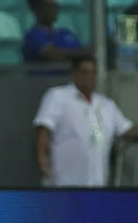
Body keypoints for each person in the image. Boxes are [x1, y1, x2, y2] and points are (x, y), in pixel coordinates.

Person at [33, 54, 137, 187]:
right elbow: (44, 128)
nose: (90, 78)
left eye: (93, 73)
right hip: (64, 184)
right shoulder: (57, 96)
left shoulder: (106, 104)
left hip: (97, 184)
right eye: (85, 73)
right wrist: (42, 159)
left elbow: (126, 129)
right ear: (74, 75)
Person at [21, 0, 87, 64]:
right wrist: (77, 54)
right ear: (36, 9)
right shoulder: (33, 36)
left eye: (55, 5)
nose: (54, 9)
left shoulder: (65, 33)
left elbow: (85, 52)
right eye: (49, 6)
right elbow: (55, 55)